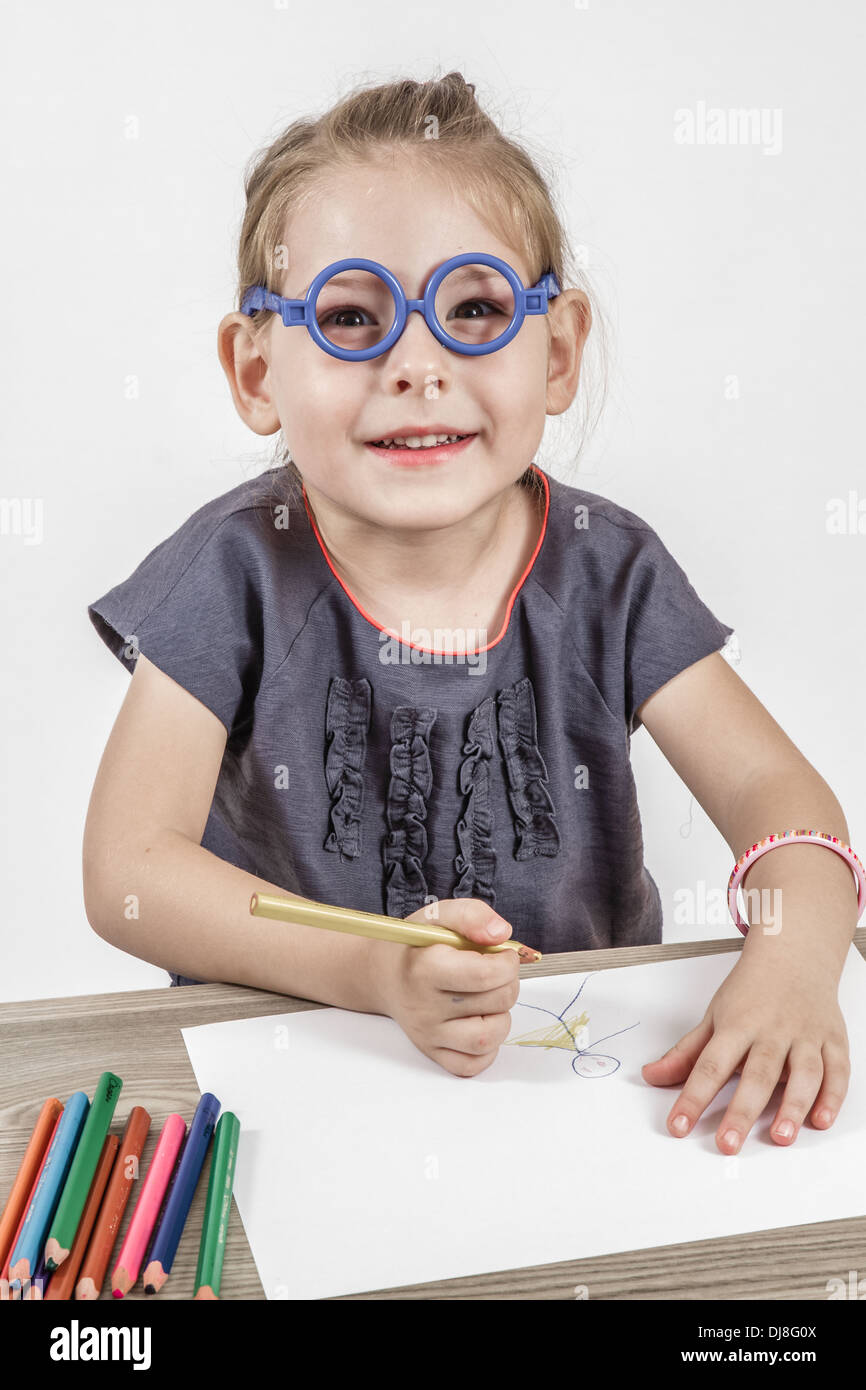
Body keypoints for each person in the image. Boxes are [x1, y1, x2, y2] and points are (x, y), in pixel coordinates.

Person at [84, 71, 860, 1154]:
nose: (417, 365)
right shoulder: (230, 571)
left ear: (556, 349)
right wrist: (372, 970)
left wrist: (790, 958)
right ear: (257, 366)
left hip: (575, 1097)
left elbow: (779, 798)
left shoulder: (610, 570)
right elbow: (127, 874)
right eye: (352, 318)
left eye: (475, 309)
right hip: (293, 1081)